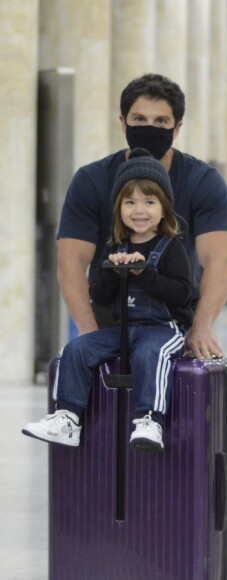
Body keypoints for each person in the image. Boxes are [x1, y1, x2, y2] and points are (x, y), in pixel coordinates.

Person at [57, 73, 227, 360]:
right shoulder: (91, 180)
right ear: (123, 122)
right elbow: (70, 263)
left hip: (172, 321)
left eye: (161, 122)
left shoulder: (203, 182)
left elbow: (219, 261)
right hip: (108, 317)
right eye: (139, 119)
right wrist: (90, 334)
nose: (148, 128)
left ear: (177, 128)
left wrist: (201, 327)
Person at [23, 149, 192, 452]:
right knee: (76, 349)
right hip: (121, 328)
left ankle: (149, 419)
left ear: (164, 209)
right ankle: (68, 417)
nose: (139, 210)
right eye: (130, 202)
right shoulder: (114, 246)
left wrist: (144, 273)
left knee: (148, 354)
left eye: (149, 202)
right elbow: (99, 295)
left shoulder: (171, 248)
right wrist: (115, 272)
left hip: (163, 329)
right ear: (119, 209)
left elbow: (182, 293)